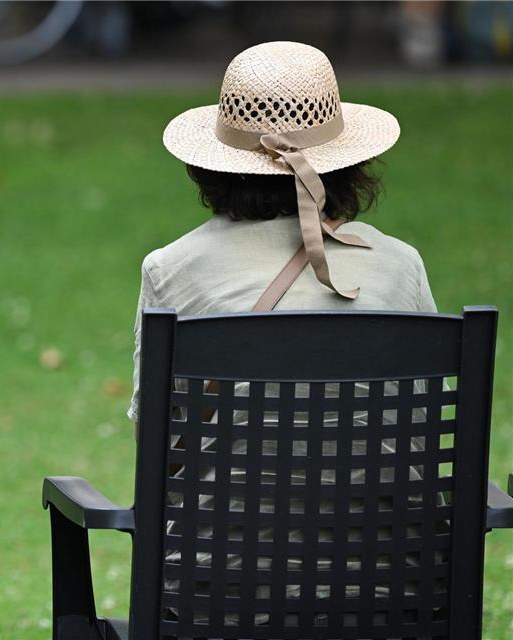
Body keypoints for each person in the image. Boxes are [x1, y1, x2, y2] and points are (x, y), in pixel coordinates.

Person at [128, 41, 439, 622]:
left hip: (218, 591)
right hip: (391, 589)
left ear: (213, 165)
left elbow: (158, 447)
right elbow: (421, 435)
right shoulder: (400, 266)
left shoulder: (172, 271)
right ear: (345, 161)